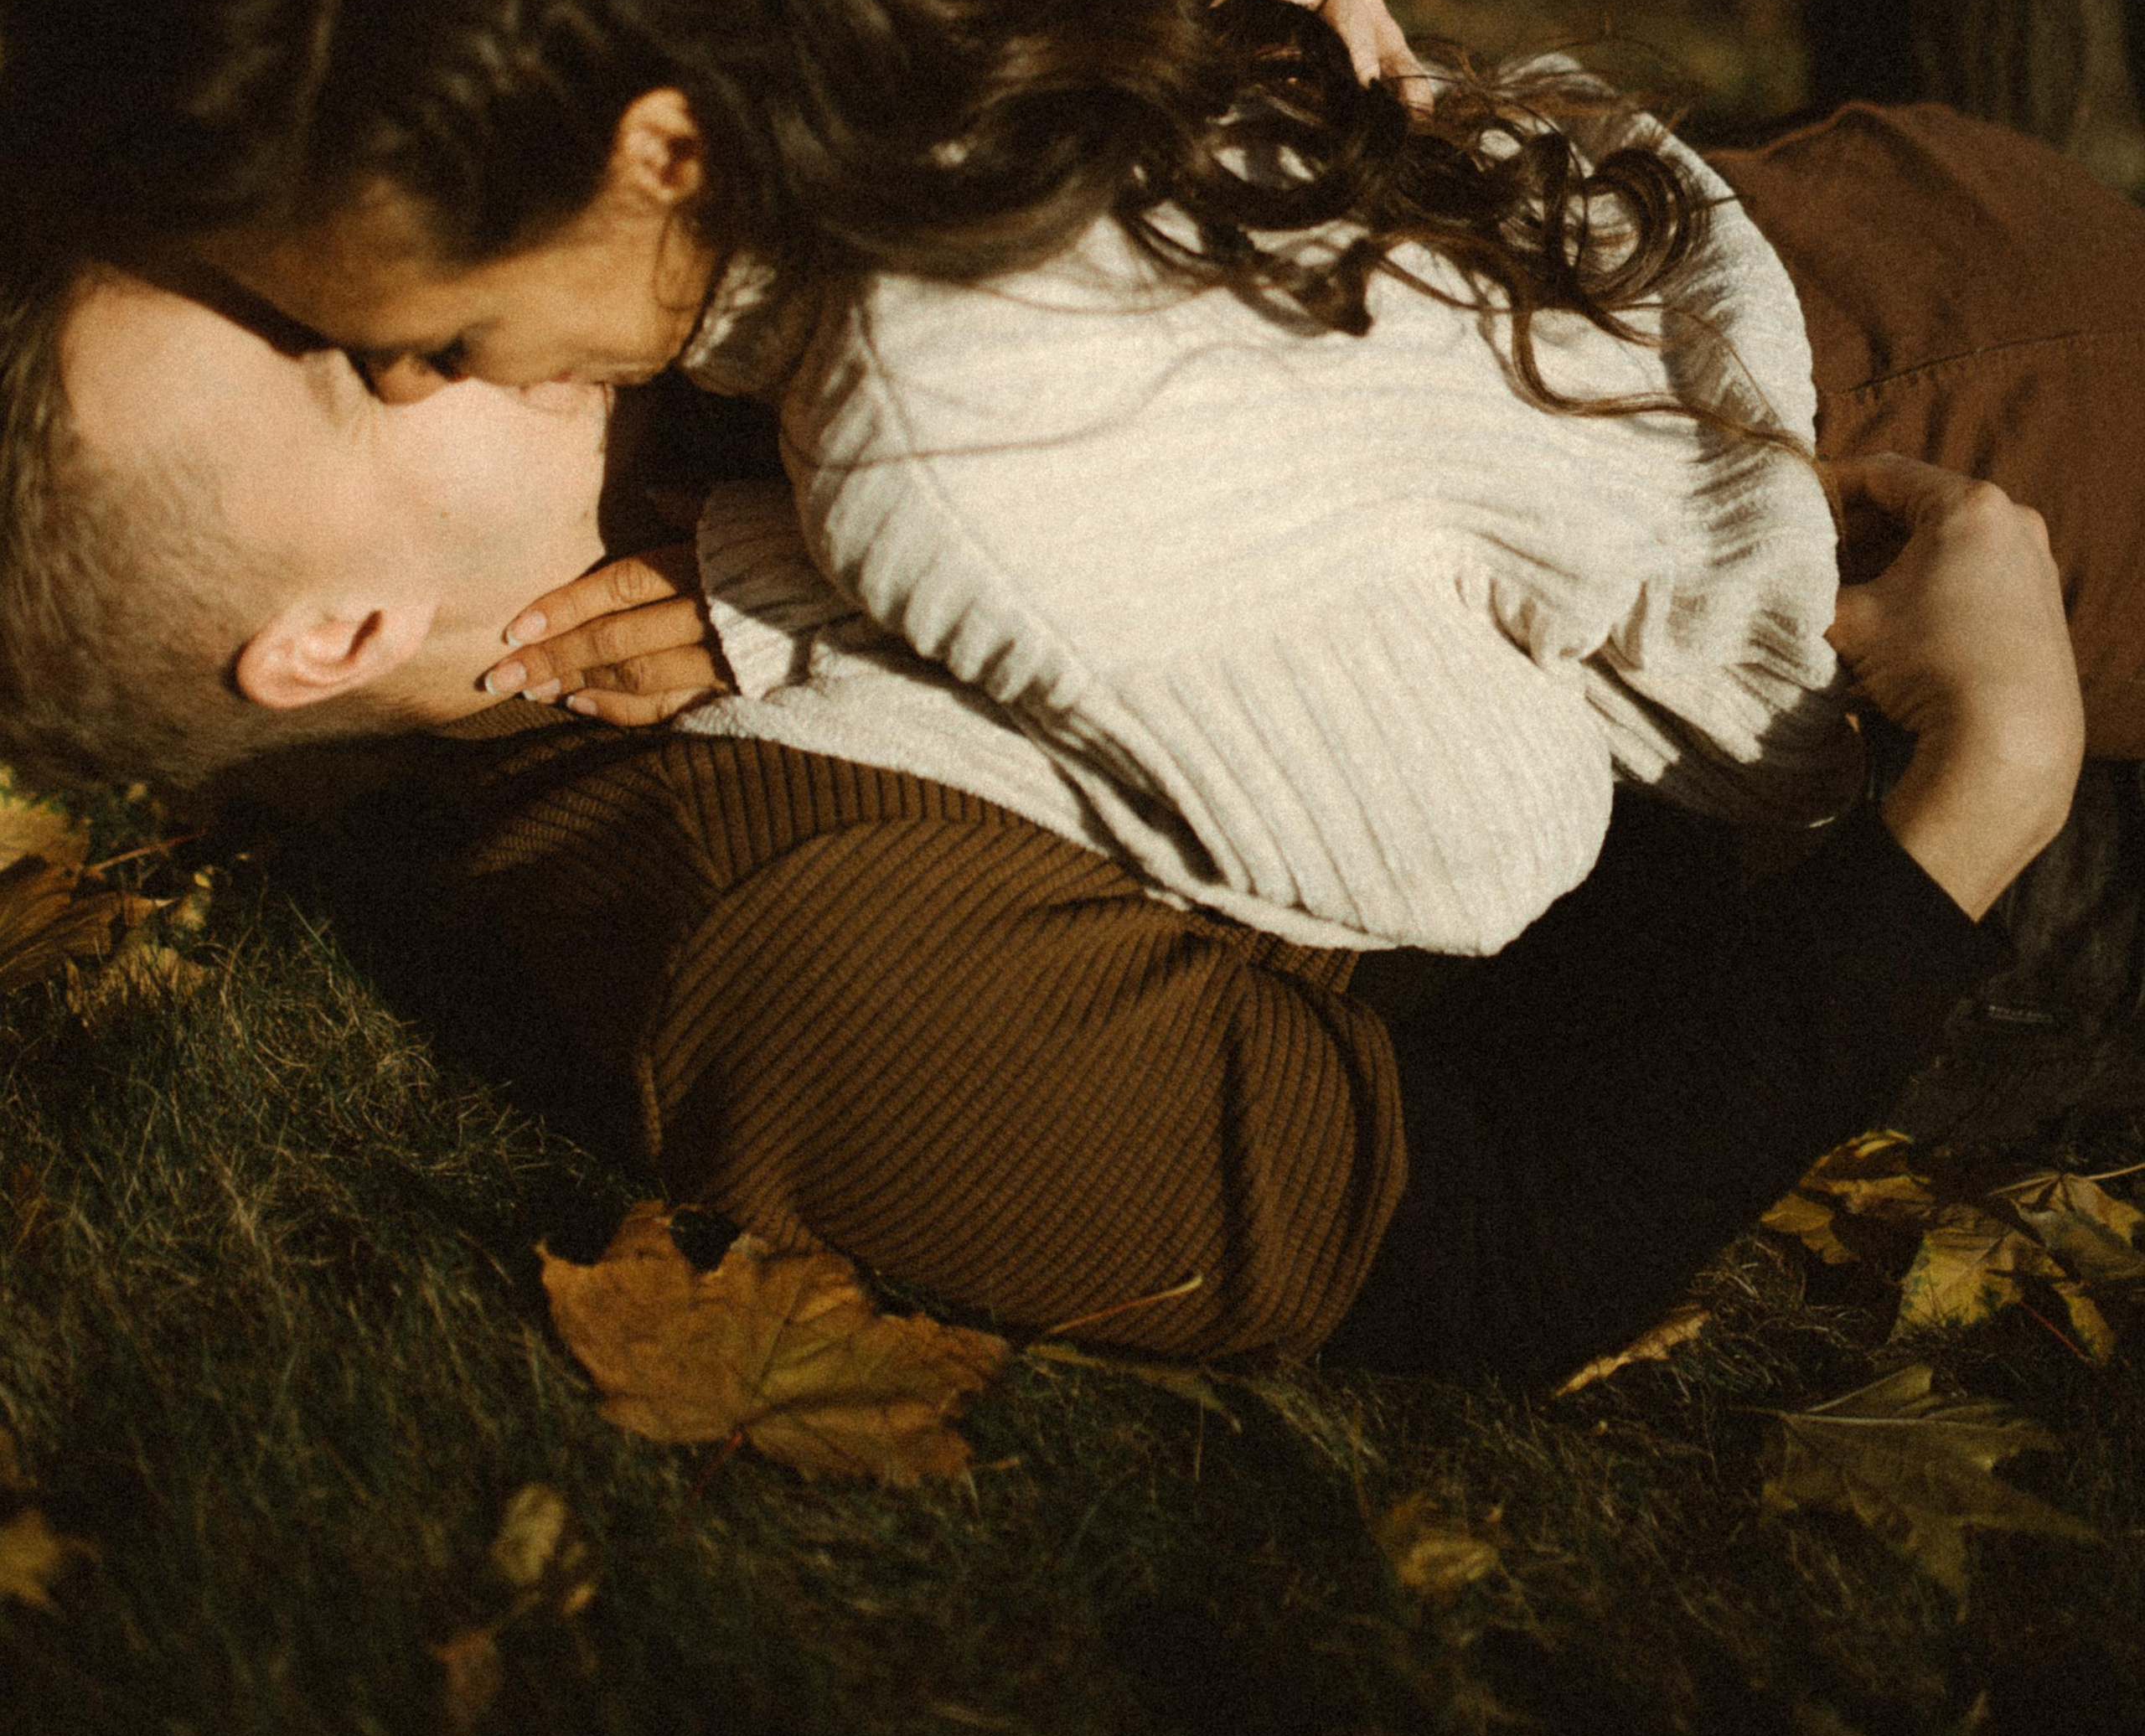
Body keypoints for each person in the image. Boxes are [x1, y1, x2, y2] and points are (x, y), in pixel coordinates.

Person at [2, 0, 1866, 959]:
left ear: (652, 157)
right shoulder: (886, 44)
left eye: (424, 328)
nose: (415, 373)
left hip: (1851, 637)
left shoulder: (938, 441)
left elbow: (1489, 846)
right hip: (1725, 254)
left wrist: (835, 640)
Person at [0, 245, 2082, 1384]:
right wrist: (1986, 796)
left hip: (1788, 271)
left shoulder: (654, 328)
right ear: (339, 630)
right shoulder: (788, 927)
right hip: (1911, 608)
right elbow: (1501, 1240)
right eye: (344, 364)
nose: (386, 275)